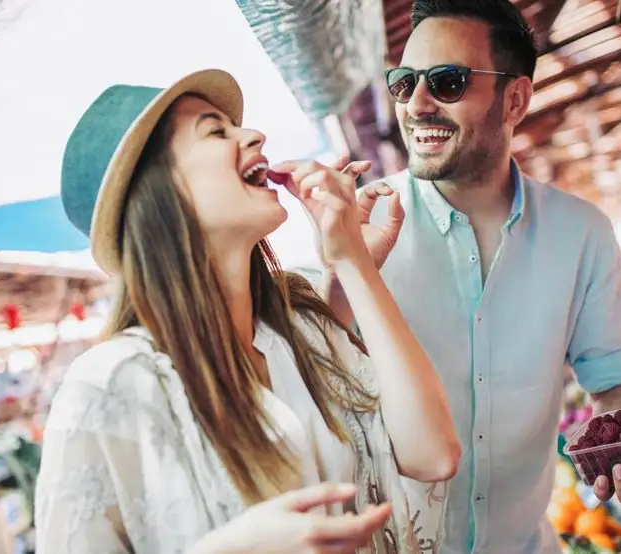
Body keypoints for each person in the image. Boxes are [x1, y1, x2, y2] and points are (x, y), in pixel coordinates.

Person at [33, 68, 461, 554]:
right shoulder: (109, 387)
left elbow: (434, 454)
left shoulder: (301, 326)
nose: (254, 134)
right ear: (159, 196)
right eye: (215, 132)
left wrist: (353, 260)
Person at [297, 1, 621, 552]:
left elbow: (616, 386)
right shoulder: (355, 226)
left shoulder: (582, 234)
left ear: (514, 99)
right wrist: (343, 272)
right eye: (403, 83)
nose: (417, 105)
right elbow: (310, 377)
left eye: (447, 82)